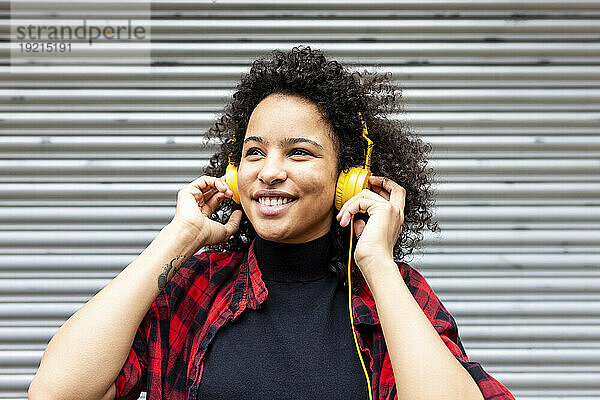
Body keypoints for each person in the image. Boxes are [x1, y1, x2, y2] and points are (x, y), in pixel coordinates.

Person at [28, 45, 515, 400]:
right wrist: (177, 241)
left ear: (350, 178)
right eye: (254, 152)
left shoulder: (391, 295)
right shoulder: (197, 287)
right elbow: (56, 391)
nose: (269, 170)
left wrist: (379, 264)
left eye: (299, 152)